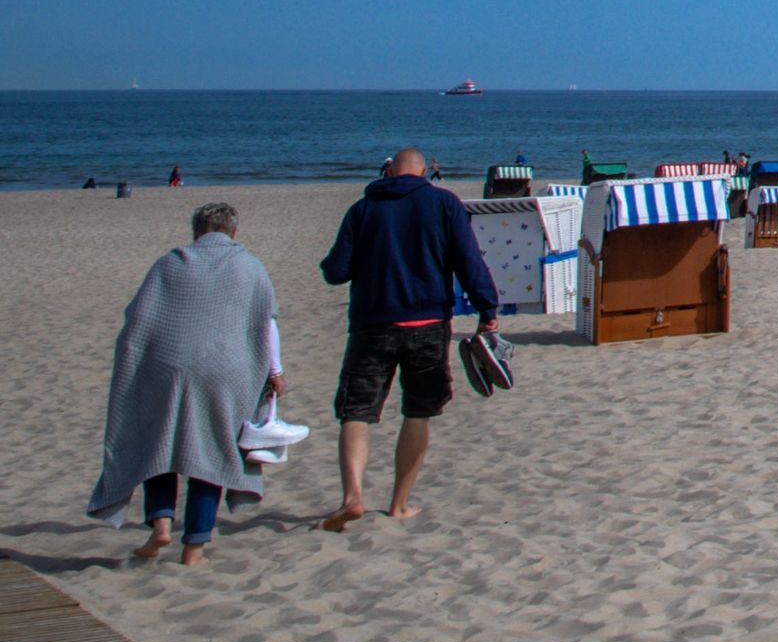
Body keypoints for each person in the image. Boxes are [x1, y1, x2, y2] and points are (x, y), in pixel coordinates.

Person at [316, 147, 500, 530]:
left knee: (356, 411)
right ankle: (399, 503)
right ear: (422, 172)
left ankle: (352, 497)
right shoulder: (443, 203)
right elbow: (469, 259)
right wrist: (488, 309)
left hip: (373, 323)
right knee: (418, 411)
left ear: (390, 172)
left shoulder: (363, 209)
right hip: (428, 323)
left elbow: (336, 271)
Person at [89, 202, 281, 566]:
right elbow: (267, 324)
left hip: (167, 366)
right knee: (213, 450)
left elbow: (139, 320)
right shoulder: (251, 267)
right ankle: (194, 545)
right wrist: (275, 372)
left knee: (158, 442)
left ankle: (161, 523)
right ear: (234, 233)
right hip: (226, 371)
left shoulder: (170, 263)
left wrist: (135, 364)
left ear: (196, 231)